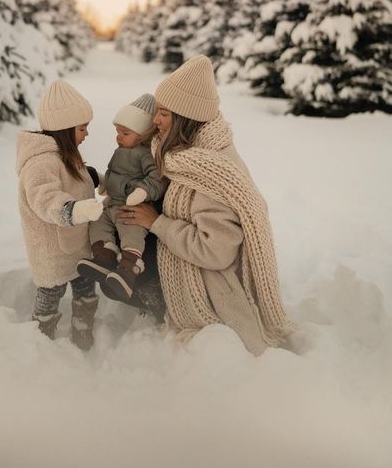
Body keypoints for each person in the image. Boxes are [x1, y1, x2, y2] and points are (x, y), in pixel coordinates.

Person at [117, 55, 295, 356]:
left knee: (125, 249)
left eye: (163, 114)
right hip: (185, 256)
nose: (155, 121)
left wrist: (156, 223)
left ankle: (153, 300)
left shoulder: (211, 172)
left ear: (186, 118)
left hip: (211, 286)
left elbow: (216, 251)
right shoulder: (183, 153)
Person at [16, 79, 103, 350]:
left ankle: (83, 328)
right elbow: (45, 198)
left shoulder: (65, 153)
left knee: (86, 286)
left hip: (77, 244)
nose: (86, 134)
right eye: (82, 128)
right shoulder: (40, 162)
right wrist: (73, 209)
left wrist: (101, 179)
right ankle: (41, 337)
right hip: (53, 249)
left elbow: (78, 177)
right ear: (65, 130)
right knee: (50, 294)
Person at [77, 94, 167, 300]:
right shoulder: (121, 150)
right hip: (112, 205)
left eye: (125, 132)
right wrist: (102, 181)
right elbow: (115, 175)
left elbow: (157, 177)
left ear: (143, 134)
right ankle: (104, 257)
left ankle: (130, 266)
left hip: (132, 208)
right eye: (117, 131)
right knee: (97, 223)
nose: (118, 137)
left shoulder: (145, 154)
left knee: (130, 230)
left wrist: (142, 191)